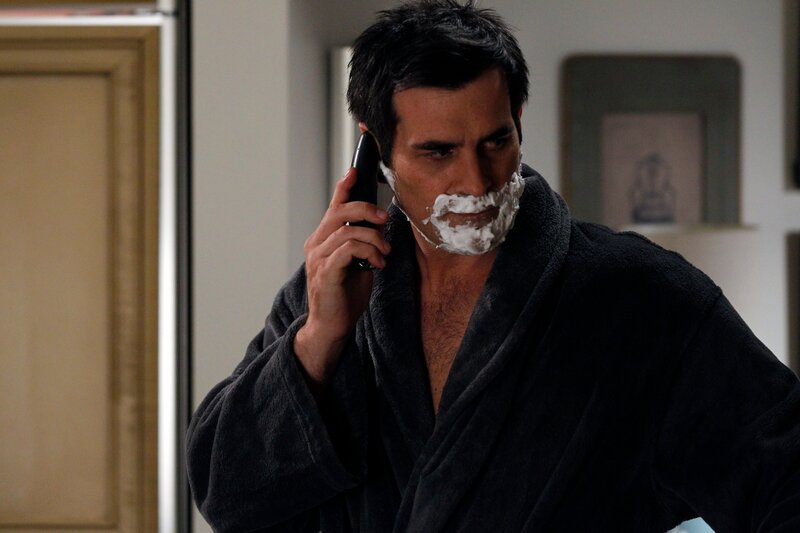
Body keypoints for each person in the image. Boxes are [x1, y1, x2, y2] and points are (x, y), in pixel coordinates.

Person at [186, 1, 800, 531]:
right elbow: (224, 495)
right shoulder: (327, 295)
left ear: (518, 124)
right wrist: (318, 342)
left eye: (495, 142)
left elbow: (786, 475)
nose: (475, 182)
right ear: (376, 152)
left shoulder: (640, 297)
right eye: (438, 152)